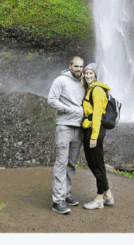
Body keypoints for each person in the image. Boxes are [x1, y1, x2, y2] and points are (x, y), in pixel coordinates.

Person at [46, 55, 86, 214]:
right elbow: (51, 100)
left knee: (71, 163)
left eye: (81, 66)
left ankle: (67, 193)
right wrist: (71, 110)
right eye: (76, 66)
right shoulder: (60, 80)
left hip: (79, 128)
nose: (79, 69)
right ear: (70, 66)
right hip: (64, 126)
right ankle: (58, 201)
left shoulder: (83, 82)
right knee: (61, 163)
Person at [80, 62, 114, 209]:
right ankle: (108, 194)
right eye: (86, 73)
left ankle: (99, 198)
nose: (88, 75)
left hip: (96, 130)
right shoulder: (90, 89)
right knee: (94, 163)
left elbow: (97, 116)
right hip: (90, 130)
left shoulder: (97, 91)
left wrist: (94, 137)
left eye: (91, 73)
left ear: (95, 75)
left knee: (97, 164)